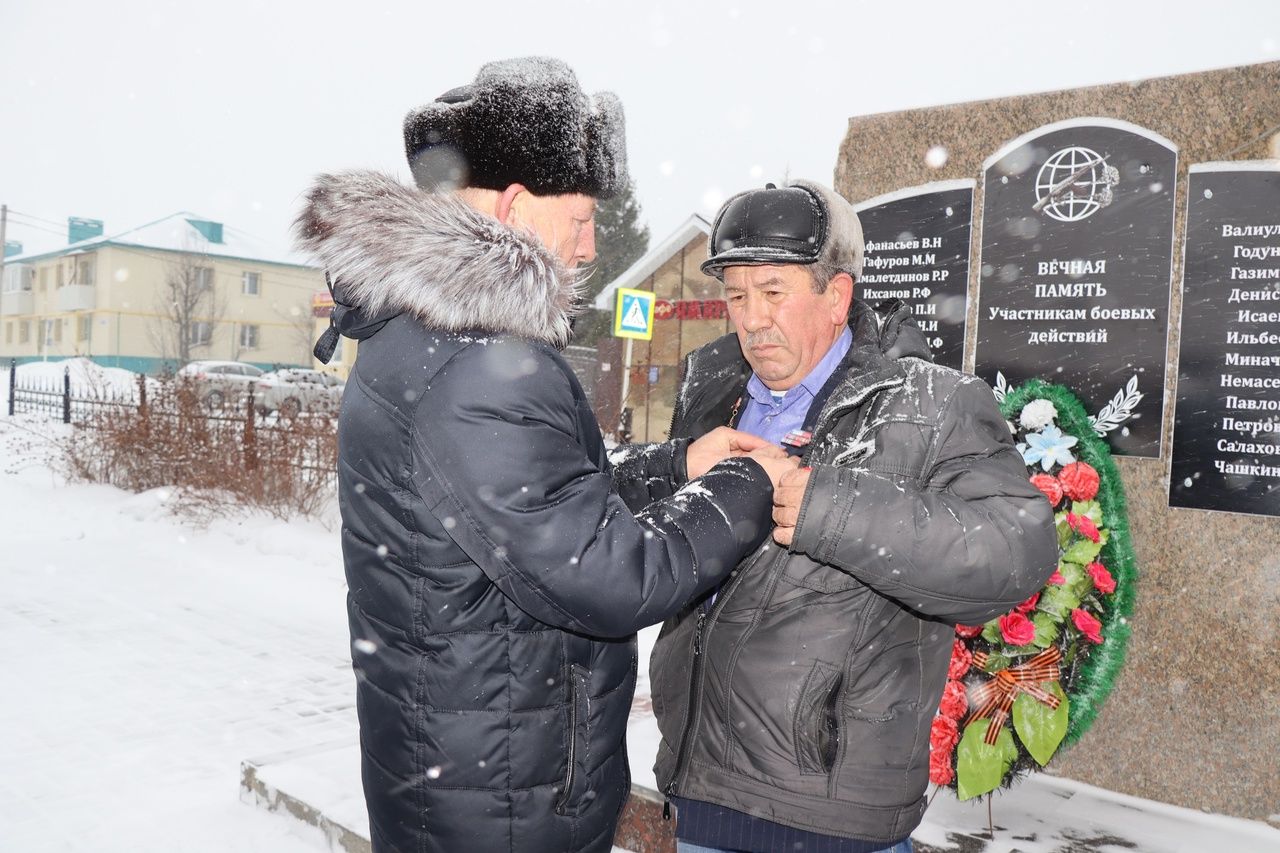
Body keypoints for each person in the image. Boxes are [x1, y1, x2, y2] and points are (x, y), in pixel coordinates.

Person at [294, 58, 796, 853]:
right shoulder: (475, 360)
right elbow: (610, 576)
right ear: (517, 205)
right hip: (507, 803)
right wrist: (746, 483)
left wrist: (676, 468)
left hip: (464, 769)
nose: (593, 241)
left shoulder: (421, 333)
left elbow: (542, 503)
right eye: (583, 215)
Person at [649, 180, 1060, 852]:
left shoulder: (935, 403)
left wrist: (826, 505)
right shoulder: (711, 387)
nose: (750, 318)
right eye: (736, 295)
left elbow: (1014, 550)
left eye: (772, 292)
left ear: (836, 297)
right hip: (699, 794)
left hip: (829, 815)